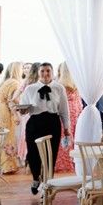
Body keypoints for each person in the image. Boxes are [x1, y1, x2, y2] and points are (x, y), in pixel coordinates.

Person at [18, 62, 70, 195]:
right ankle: (36, 178)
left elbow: (64, 110)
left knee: (50, 155)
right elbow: (23, 108)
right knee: (33, 154)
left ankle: (48, 184)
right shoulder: (30, 88)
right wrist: (22, 111)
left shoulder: (59, 88)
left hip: (53, 122)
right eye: (42, 71)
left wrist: (67, 128)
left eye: (48, 71)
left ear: (52, 72)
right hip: (35, 123)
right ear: (38, 73)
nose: (45, 74)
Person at [0, 62, 24, 173]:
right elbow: (12, 101)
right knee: (9, 137)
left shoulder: (4, 82)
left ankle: (1, 164)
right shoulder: (15, 83)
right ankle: (8, 166)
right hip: (7, 112)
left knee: (1, 138)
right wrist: (17, 114)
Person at [54, 62, 83, 173]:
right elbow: (79, 101)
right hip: (75, 111)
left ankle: (63, 163)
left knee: (63, 136)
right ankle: (72, 161)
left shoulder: (58, 84)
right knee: (73, 135)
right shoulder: (76, 83)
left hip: (64, 112)